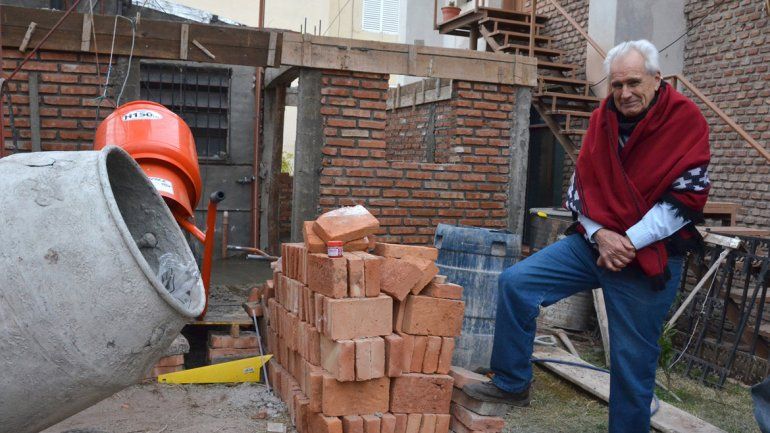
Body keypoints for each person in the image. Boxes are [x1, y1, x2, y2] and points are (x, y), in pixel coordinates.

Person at [463, 40, 711, 433]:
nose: (624, 93)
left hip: (650, 254)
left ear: (656, 78)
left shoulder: (686, 120)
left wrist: (626, 241)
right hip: (595, 242)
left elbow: (687, 197)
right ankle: (512, 381)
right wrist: (601, 235)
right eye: (617, 85)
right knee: (517, 283)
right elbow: (580, 189)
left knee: (632, 362)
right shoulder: (601, 121)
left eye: (634, 82)